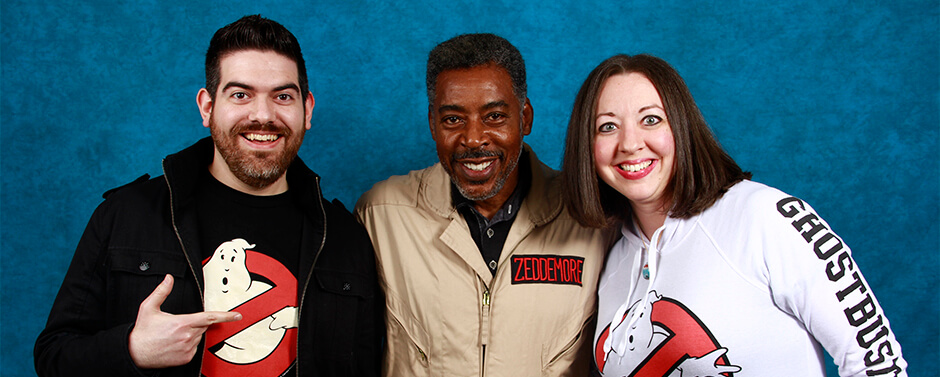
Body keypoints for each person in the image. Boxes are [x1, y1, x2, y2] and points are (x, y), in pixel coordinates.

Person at [34, 15, 382, 377]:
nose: (263, 116)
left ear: (306, 110)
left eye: (282, 96)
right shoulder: (126, 216)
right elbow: (53, 357)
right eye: (240, 95)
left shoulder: (344, 237)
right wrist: (131, 349)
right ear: (207, 106)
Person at [562, 54, 907, 376]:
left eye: (651, 120)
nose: (630, 143)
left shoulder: (765, 217)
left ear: (682, 126)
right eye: (607, 127)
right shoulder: (611, 261)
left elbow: (876, 359)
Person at [355, 33, 612, 376]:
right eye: (453, 119)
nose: (473, 139)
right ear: (433, 123)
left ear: (525, 118)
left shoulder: (590, 216)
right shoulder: (381, 215)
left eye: (494, 116)